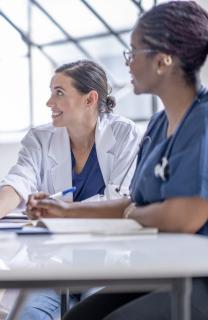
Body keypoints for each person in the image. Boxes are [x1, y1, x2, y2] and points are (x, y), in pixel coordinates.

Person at [29, 2, 208, 319]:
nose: (128, 63)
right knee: (76, 317)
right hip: (160, 269)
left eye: (134, 52)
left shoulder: (203, 121)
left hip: (199, 278)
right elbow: (132, 202)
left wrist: (133, 212)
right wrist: (67, 211)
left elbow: (184, 217)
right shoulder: (156, 124)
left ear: (163, 59)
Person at [0, 59, 141, 222]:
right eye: (51, 92)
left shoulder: (125, 134)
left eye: (60, 93)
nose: (49, 102)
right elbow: (20, 179)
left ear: (90, 99)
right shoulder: (40, 138)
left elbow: (121, 201)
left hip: (111, 245)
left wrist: (62, 210)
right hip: (58, 246)